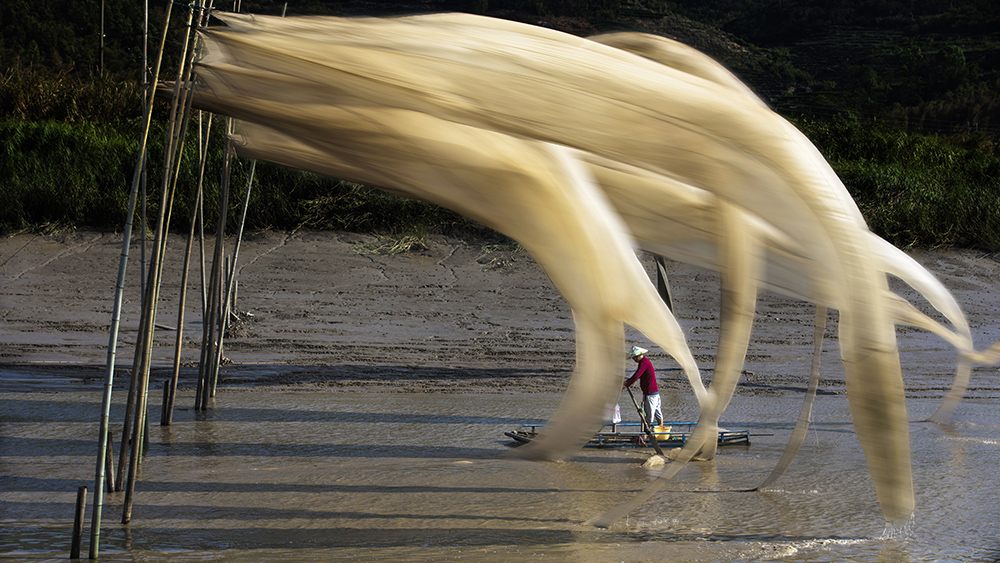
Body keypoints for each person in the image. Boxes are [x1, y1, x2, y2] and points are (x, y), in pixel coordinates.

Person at [623, 346, 663, 426]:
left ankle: (647, 431)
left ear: (638, 356)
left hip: (650, 393)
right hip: (654, 392)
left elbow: (636, 376)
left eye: (634, 357)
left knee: (649, 416)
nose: (634, 359)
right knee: (658, 413)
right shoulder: (645, 362)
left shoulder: (644, 363)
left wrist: (626, 384)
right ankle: (660, 427)